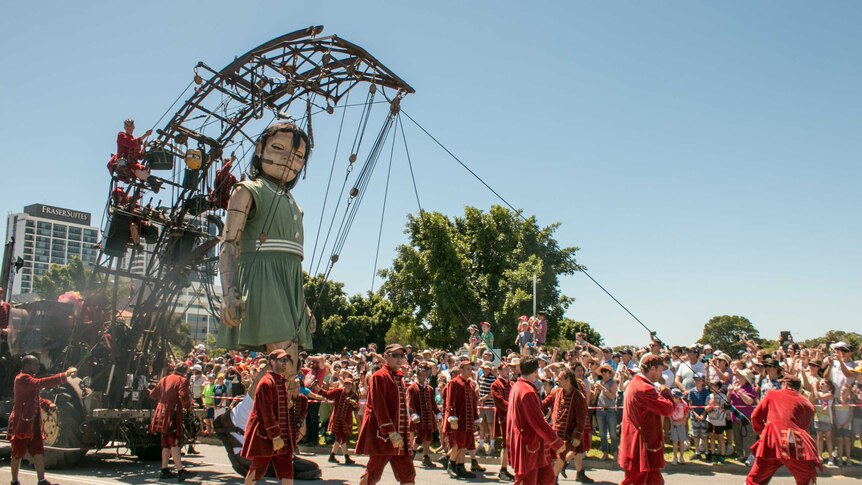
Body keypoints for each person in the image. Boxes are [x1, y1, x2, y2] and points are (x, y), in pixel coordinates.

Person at [218, 122, 316, 377]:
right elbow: (229, 243)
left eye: (297, 156)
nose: (288, 160)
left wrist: (303, 305)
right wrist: (229, 292)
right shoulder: (248, 190)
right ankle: (246, 417)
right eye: (278, 148)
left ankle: (238, 418)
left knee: (289, 366)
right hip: (263, 277)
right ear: (260, 148)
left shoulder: (294, 203)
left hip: (289, 282)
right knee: (285, 361)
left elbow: (291, 261)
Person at [9, 355, 77, 485]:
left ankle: (41, 480)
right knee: (17, 452)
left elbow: (35, 399)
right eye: (35, 364)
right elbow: (40, 383)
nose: (38, 366)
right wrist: (64, 375)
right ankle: (14, 481)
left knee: (38, 451)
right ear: (27, 365)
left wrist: (47, 404)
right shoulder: (22, 378)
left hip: (32, 422)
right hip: (22, 422)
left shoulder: (28, 380)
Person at [355, 344, 416, 485]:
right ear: (386, 356)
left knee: (408, 475)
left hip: (401, 436)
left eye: (402, 355)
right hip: (383, 435)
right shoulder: (379, 376)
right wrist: (391, 432)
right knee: (373, 473)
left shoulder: (399, 377)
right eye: (395, 355)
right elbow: (379, 406)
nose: (399, 359)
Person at [746, 375, 821, 485]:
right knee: (807, 477)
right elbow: (803, 428)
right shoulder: (808, 404)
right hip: (794, 443)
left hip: (771, 442)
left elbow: (755, 417)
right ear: (799, 388)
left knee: (754, 480)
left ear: (785, 385)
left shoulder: (772, 394)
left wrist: (762, 432)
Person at [506, 355, 566, 485]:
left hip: (534, 444)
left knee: (546, 479)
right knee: (528, 481)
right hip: (530, 445)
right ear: (535, 371)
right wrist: (556, 442)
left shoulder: (517, 386)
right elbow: (538, 423)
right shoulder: (527, 391)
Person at [618, 354, 675, 485]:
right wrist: (666, 392)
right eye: (660, 370)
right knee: (636, 481)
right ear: (653, 369)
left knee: (654, 481)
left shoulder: (635, 383)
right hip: (640, 446)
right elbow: (668, 409)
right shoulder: (644, 388)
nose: (661, 374)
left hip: (641, 444)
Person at [241, 349, 295, 485]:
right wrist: (275, 436)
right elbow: (266, 413)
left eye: (286, 360)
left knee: (287, 472)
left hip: (282, 437)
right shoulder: (266, 383)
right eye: (282, 360)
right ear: (272, 362)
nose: (285, 363)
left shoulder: (280, 381)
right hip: (266, 436)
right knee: (256, 471)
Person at [148, 363, 196, 481]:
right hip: (172, 414)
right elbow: (183, 396)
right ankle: (180, 471)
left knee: (165, 443)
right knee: (174, 441)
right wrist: (189, 406)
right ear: (185, 371)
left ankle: (164, 470)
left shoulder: (164, 379)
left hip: (161, 413)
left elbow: (153, 394)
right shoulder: (182, 380)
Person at [542, 366, 590, 482]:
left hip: (569, 435)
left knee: (560, 457)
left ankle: (553, 480)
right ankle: (554, 479)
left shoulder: (578, 396)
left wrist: (577, 435)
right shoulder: (556, 392)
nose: (557, 380)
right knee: (554, 458)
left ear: (568, 380)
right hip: (555, 432)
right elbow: (543, 404)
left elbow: (581, 418)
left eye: (560, 378)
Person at [443, 358, 480, 478]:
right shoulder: (454, 383)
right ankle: (451, 465)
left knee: (465, 444)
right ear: (461, 370)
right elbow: (450, 401)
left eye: (471, 369)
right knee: (458, 444)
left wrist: (476, 417)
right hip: (458, 420)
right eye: (467, 369)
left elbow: (474, 402)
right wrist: (452, 417)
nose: (470, 371)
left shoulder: (471, 383)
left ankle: (460, 466)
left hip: (468, 419)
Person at [313, 378, 359, 464]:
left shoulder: (354, 395)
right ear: (343, 385)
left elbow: (356, 408)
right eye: (346, 384)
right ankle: (346, 458)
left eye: (349, 384)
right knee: (342, 438)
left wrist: (353, 403)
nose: (347, 386)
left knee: (339, 438)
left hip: (346, 421)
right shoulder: (338, 391)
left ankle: (332, 456)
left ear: (352, 386)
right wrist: (317, 388)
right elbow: (327, 394)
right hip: (337, 419)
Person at [406, 364, 441, 468]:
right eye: (421, 375)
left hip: (429, 417)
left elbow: (433, 403)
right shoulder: (412, 388)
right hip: (419, 418)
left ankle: (426, 457)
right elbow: (410, 403)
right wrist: (413, 414)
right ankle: (410, 455)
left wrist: (437, 412)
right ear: (417, 375)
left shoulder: (429, 388)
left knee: (428, 438)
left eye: (424, 375)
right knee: (420, 437)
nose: (423, 377)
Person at [490, 361, 515, 481]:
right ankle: (503, 470)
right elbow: (499, 401)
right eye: (506, 369)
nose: (508, 371)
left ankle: (511, 469)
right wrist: (513, 407)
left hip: (514, 417)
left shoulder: (512, 384)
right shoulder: (495, 385)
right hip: (504, 418)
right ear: (499, 371)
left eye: (509, 369)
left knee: (513, 444)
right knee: (505, 444)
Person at [669, 389, 690, 465]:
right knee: (675, 441)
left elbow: (687, 413)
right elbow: (669, 414)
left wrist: (682, 421)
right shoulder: (671, 404)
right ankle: (675, 457)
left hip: (681, 424)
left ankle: (681, 457)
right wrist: (672, 421)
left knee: (681, 441)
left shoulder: (684, 404)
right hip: (674, 424)